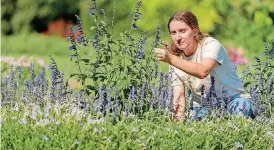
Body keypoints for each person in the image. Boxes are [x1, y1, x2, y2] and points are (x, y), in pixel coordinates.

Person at [154, 10, 255, 123]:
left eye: (182, 31)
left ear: (195, 31)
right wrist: (177, 129)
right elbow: (179, 96)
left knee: (240, 113)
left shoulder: (210, 45)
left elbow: (203, 71)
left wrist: (171, 59)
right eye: (173, 33)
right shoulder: (176, 58)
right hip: (204, 106)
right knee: (196, 127)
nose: (178, 37)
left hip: (234, 100)